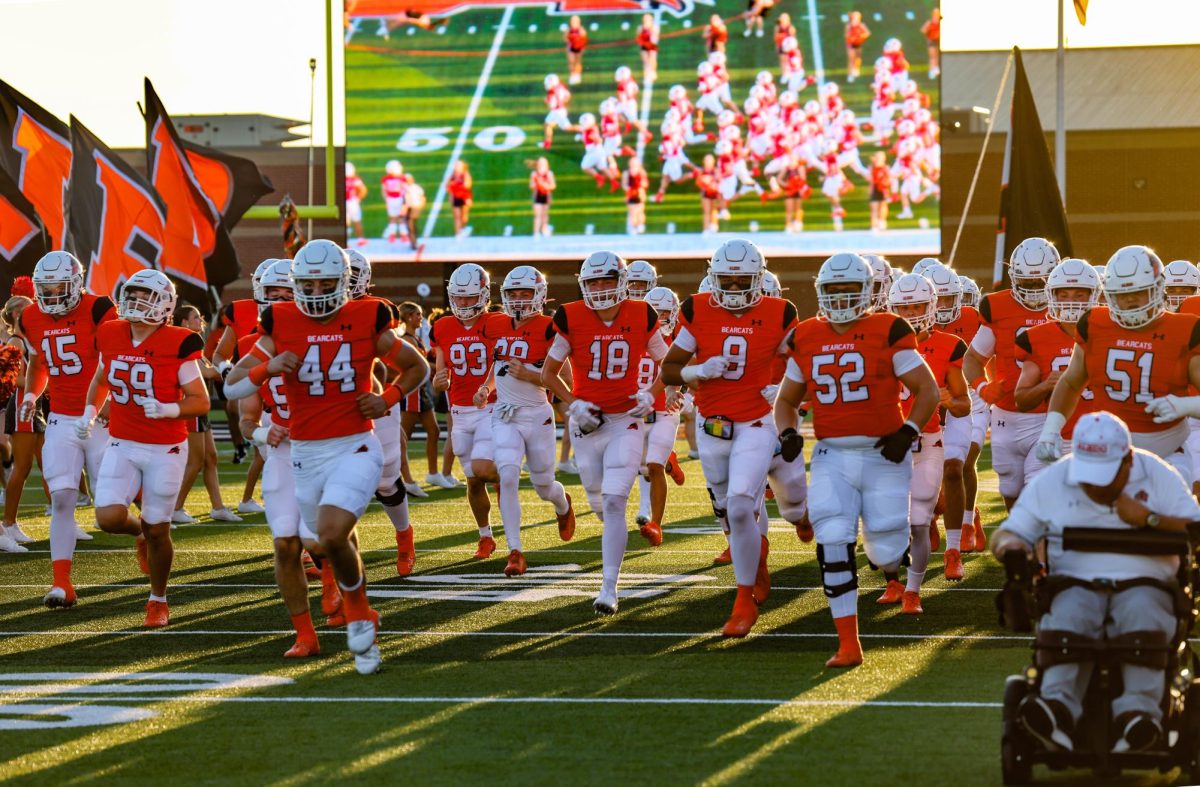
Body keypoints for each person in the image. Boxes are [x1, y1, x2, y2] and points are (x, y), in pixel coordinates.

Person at [225, 239, 428, 674]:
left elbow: (416, 366)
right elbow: (234, 386)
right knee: (308, 542)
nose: (316, 293)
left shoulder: (366, 316)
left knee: (331, 536)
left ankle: (357, 610)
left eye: (326, 284)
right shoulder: (278, 323)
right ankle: (317, 628)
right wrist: (268, 367)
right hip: (302, 453)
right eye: (308, 284)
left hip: (354, 444)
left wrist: (389, 396)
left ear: (344, 283)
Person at [993, 411, 1200, 754]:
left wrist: (1149, 518)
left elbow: (1195, 528)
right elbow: (1009, 533)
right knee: (1069, 618)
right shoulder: (1057, 477)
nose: (1095, 485)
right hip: (1074, 581)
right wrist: (1012, 550)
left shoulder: (1158, 474)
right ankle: (1055, 710)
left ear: (1128, 459)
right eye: (1090, 474)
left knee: (1143, 616)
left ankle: (1138, 717)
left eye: (1105, 475)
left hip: (1147, 582)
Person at [775, 252, 938, 667]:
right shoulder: (806, 335)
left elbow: (927, 389)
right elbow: (786, 400)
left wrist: (908, 432)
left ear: (868, 291)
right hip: (832, 455)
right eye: (833, 290)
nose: (842, 298)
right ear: (820, 292)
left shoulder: (888, 328)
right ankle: (848, 643)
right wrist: (789, 432)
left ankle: (891, 567)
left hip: (884, 453)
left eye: (850, 289)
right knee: (833, 540)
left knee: (885, 551)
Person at [663, 239, 799, 638]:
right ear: (714, 277)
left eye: (743, 281)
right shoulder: (697, 308)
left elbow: (803, 360)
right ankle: (757, 567)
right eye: (728, 280)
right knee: (727, 509)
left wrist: (787, 389)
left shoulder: (780, 312)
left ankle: (743, 600)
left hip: (758, 421)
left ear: (759, 278)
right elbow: (670, 369)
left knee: (741, 504)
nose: (736, 289)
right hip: (712, 425)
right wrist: (697, 371)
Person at [80, 270, 211, 628]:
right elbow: (102, 379)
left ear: (165, 304)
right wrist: (91, 411)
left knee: (159, 529)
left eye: (146, 296)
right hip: (122, 441)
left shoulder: (180, 341)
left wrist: (171, 409)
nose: (136, 302)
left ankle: (158, 599)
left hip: (165, 447)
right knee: (107, 518)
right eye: (132, 295)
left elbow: (201, 401)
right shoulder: (110, 333)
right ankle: (137, 532)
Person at [541, 251, 667, 614]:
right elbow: (549, 373)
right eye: (592, 282)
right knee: (597, 496)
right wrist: (570, 402)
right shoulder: (570, 314)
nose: (599, 288)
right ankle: (602, 524)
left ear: (622, 281)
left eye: (606, 280)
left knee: (614, 501)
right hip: (586, 421)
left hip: (625, 418)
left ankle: (609, 588)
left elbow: (668, 361)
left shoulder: (642, 313)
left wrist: (652, 394)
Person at [1040, 246, 1200, 485]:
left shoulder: (1185, 329)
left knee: (1172, 519)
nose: (1130, 300)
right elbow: (1072, 381)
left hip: (1167, 452)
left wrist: (1186, 405)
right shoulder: (1094, 323)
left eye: (1140, 292)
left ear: (1157, 289)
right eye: (1121, 294)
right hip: (1107, 451)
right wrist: (1051, 429)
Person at [481, 266, 577, 575]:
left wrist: (533, 375)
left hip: (537, 415)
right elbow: (500, 368)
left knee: (544, 485)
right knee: (507, 475)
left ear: (540, 295)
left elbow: (567, 380)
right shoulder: (496, 324)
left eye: (525, 293)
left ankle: (563, 505)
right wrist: (485, 387)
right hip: (504, 413)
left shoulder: (550, 328)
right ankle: (515, 551)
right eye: (513, 294)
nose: (519, 300)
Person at [884, 273, 969, 604]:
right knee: (888, 522)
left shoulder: (948, 345)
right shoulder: (879, 343)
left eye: (918, 305)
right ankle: (892, 582)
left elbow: (964, 405)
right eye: (904, 308)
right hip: (888, 446)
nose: (911, 314)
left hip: (926, 442)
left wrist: (948, 398)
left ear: (932, 306)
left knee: (918, 522)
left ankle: (913, 590)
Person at [963, 237, 1056, 509]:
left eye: (1040, 282)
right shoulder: (998, 308)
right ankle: (1022, 545)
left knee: (1038, 485)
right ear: (1014, 278)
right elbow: (972, 358)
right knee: (1011, 488)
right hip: (1007, 413)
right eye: (1026, 283)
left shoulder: (1067, 306)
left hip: (1049, 413)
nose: (1034, 290)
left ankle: (1040, 544)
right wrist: (981, 386)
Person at [431, 263, 500, 558]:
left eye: (469, 298)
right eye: (458, 297)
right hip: (459, 411)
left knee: (484, 471)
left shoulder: (498, 322)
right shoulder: (442, 326)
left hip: (490, 408)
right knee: (472, 480)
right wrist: (437, 380)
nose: (462, 303)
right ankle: (485, 536)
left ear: (483, 295)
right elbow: (440, 375)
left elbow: (501, 361)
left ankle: (511, 474)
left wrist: (488, 386)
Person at [170, 305, 240, 525]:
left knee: (211, 458)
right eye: (195, 317)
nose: (201, 320)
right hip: (192, 409)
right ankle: (175, 507)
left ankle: (218, 507)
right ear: (183, 323)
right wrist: (232, 367)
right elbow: (208, 372)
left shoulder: (195, 346)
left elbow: (212, 370)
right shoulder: (184, 344)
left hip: (201, 410)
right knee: (196, 461)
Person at [637, 286, 686, 542]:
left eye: (664, 312)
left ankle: (656, 524)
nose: (659, 317)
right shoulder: (632, 335)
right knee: (640, 467)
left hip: (666, 410)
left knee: (653, 466)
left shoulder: (681, 340)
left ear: (674, 313)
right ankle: (669, 460)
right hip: (637, 410)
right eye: (654, 312)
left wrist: (673, 390)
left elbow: (677, 370)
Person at [2, 295, 47, 550]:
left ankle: (63, 518)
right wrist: (44, 384)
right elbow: (14, 378)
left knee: (45, 463)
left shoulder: (28, 340)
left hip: (33, 405)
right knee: (22, 467)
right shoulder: (16, 341)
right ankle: (9, 523)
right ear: (19, 314)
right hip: (22, 406)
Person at [397, 302, 441, 491]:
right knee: (402, 438)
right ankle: (405, 480)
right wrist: (440, 369)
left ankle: (433, 473)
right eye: (417, 314)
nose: (420, 318)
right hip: (412, 392)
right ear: (407, 317)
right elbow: (416, 365)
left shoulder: (415, 338)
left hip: (421, 390)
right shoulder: (406, 339)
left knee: (434, 431)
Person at [530, 157, 556, 238]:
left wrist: (545, 186)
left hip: (546, 195)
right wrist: (538, 184)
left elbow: (553, 186)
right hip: (537, 195)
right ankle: (536, 232)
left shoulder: (549, 173)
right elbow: (531, 185)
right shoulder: (534, 174)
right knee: (537, 215)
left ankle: (544, 230)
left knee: (545, 214)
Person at [344, 162, 368, 247]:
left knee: (346, 223)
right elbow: (363, 190)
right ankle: (360, 239)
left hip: (345, 203)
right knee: (357, 221)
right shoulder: (355, 179)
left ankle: (346, 241)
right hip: (353, 202)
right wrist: (358, 198)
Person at [448, 160, 472, 240]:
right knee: (456, 216)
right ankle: (458, 233)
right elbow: (449, 187)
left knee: (464, 216)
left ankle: (462, 228)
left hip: (464, 197)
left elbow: (467, 186)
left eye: (458, 165)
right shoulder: (453, 175)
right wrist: (451, 196)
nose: (456, 167)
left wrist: (456, 185)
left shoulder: (465, 174)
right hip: (456, 197)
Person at [623, 157, 647, 235]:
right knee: (632, 211)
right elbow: (624, 184)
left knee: (640, 211)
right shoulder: (626, 173)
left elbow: (645, 183)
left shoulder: (642, 172)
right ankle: (633, 227)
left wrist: (640, 188)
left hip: (639, 194)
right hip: (631, 194)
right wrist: (629, 190)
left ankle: (640, 224)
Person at [844, 11, 870, 82]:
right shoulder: (849, 26)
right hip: (850, 44)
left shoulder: (861, 25)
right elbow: (846, 35)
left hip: (858, 43)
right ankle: (850, 75)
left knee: (858, 58)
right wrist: (851, 38)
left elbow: (867, 33)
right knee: (851, 59)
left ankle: (856, 70)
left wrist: (860, 37)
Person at [636, 13, 659, 82]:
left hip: (651, 45)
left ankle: (653, 73)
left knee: (652, 60)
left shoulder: (654, 27)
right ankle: (646, 75)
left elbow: (656, 37)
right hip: (644, 46)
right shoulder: (640, 27)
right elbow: (638, 37)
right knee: (646, 62)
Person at [565, 16, 587, 85]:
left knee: (577, 62)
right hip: (571, 47)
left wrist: (580, 44)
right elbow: (565, 39)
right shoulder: (569, 30)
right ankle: (572, 75)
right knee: (571, 62)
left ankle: (578, 76)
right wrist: (571, 42)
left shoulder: (581, 30)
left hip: (579, 48)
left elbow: (584, 39)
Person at [921, 8, 941, 79]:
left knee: (937, 56)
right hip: (931, 40)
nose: (936, 15)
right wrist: (928, 31)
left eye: (937, 13)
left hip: (938, 41)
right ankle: (931, 71)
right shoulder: (929, 22)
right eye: (935, 13)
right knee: (932, 56)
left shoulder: (940, 22)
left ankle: (936, 69)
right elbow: (923, 30)